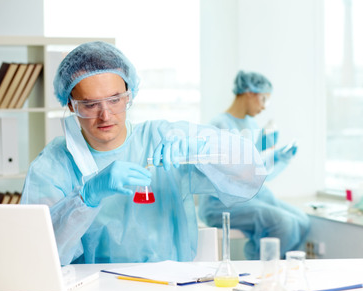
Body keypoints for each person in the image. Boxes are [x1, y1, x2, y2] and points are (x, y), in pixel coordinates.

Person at [20, 42, 266, 265]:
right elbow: (36, 255)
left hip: (170, 286)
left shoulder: (163, 137)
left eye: (115, 99)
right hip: (92, 290)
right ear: (71, 105)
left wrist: (203, 150)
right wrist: (86, 197)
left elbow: (250, 173)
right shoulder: (53, 164)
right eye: (91, 104)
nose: (105, 115)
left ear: (130, 95)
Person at [198, 70, 310, 260]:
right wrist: (253, 157)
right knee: (284, 223)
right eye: (264, 99)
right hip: (221, 202)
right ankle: (258, 270)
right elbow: (225, 174)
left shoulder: (252, 125)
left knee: (303, 221)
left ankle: (273, 269)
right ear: (249, 92)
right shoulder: (219, 125)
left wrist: (278, 157)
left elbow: (257, 172)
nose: (264, 107)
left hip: (251, 196)